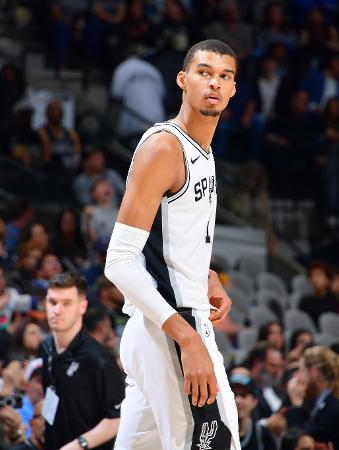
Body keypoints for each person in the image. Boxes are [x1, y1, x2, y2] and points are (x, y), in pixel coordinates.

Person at [104, 39, 241, 449]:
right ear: (183, 80)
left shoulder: (204, 149)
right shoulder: (165, 146)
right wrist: (189, 340)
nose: (214, 83)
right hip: (172, 330)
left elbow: (169, 241)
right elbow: (120, 261)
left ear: (233, 90)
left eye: (224, 76)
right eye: (204, 72)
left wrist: (207, 274)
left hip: (156, 330)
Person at [40, 272, 124, 450]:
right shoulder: (46, 347)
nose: (57, 310)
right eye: (52, 302)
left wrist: (79, 445)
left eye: (66, 304)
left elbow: (117, 418)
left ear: (82, 307)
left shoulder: (98, 360)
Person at [286, 346, 339, 450]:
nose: (298, 378)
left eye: (301, 371)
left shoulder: (335, 409)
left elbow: (300, 443)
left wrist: (296, 404)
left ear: (314, 372)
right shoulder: (316, 401)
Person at [230, 373, 277, 450]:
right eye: (233, 394)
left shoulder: (262, 435)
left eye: (244, 395)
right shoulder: (214, 433)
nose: (238, 400)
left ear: (254, 402)